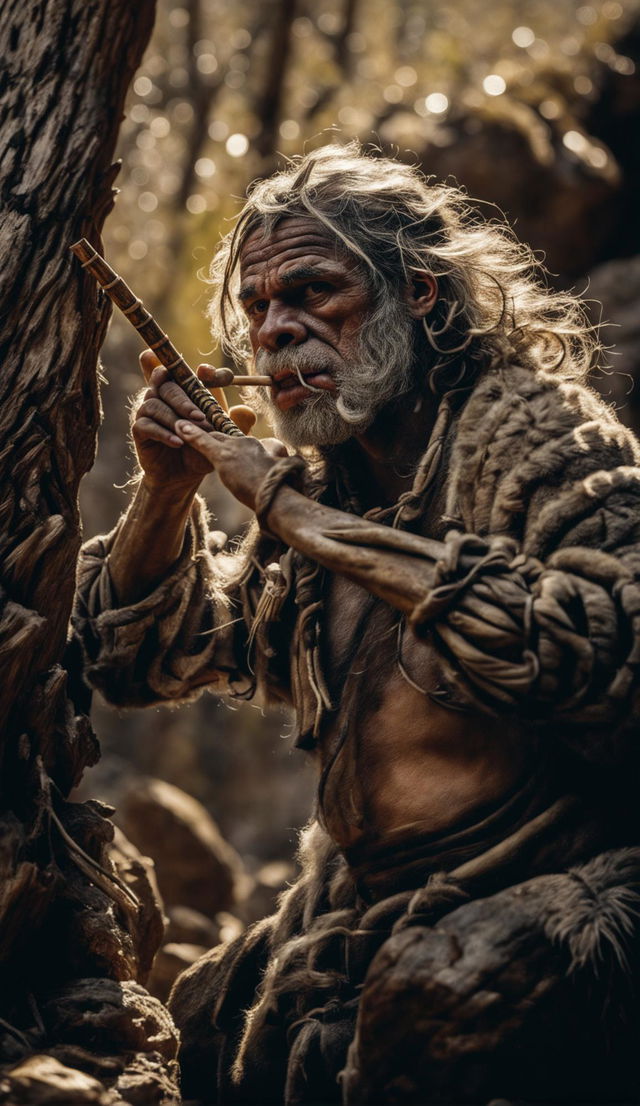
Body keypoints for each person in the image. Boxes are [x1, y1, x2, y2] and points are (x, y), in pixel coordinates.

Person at [74, 143, 640, 1105]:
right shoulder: (335, 481)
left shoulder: (538, 433)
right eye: (256, 309)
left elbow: (608, 654)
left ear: (417, 294)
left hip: (560, 883)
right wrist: (167, 493)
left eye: (312, 292)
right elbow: (142, 663)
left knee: (443, 1001)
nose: (277, 331)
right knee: (208, 1028)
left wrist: (298, 517)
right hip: (356, 909)